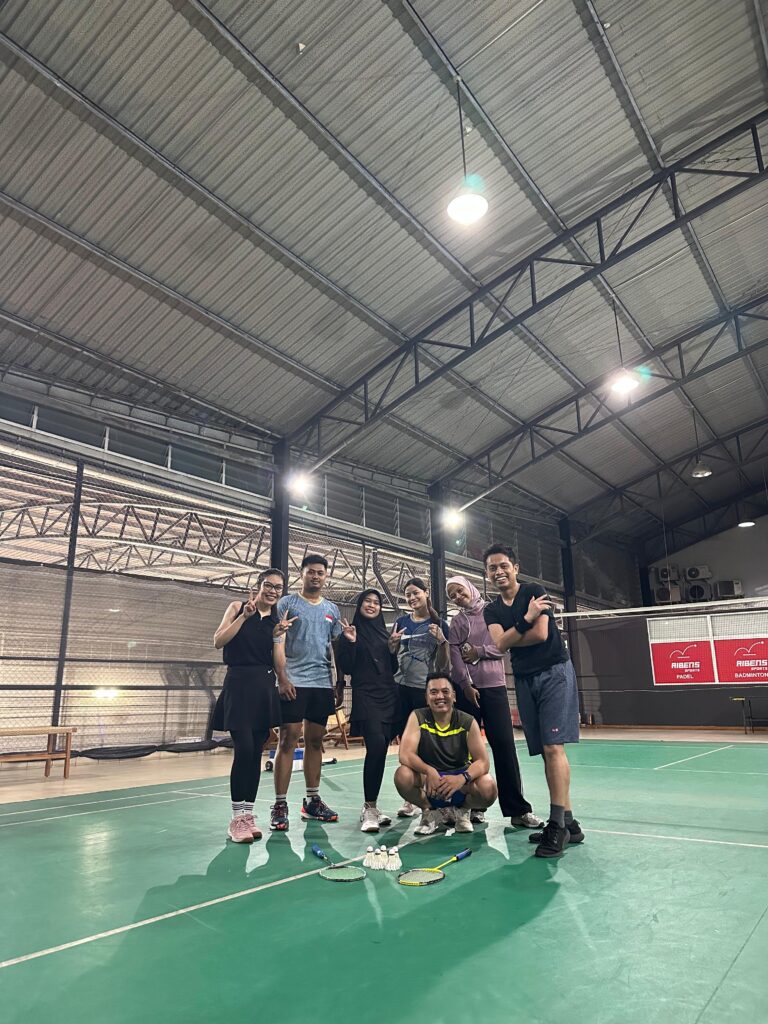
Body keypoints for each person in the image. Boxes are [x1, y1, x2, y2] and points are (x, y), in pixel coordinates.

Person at [482, 544, 584, 858]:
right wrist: (526, 618)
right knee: (545, 752)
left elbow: (540, 635)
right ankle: (569, 822)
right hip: (525, 680)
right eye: (492, 568)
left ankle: (557, 826)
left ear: (515, 568)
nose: (498, 572)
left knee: (554, 748)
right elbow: (500, 645)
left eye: (503, 565)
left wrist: (515, 632)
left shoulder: (534, 591)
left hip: (553, 672)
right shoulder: (491, 610)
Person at [446, 575, 543, 830]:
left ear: (470, 588)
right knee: (465, 751)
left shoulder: (492, 612)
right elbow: (455, 655)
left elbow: (503, 646)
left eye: (459, 591)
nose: (457, 597)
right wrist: (465, 685)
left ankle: (518, 810)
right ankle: (470, 806)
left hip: (495, 688)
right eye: (452, 595)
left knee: (504, 747)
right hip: (467, 692)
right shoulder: (457, 622)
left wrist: (478, 652)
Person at [212, 568, 285, 843]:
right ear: (258, 585)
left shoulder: (277, 621)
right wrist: (244, 616)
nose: (273, 591)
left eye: (278, 588)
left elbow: (278, 663)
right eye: (269, 585)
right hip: (238, 685)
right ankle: (236, 819)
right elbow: (218, 641)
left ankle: (248, 815)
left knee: (255, 753)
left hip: (264, 688)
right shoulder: (237, 607)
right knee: (243, 749)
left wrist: (278, 637)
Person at [270, 554, 342, 830]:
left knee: (315, 742)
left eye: (320, 573)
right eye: (311, 571)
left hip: (321, 683)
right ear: (301, 573)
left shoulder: (332, 610)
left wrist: (339, 681)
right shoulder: (286, 603)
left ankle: (312, 801)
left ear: (326, 577)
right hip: (293, 682)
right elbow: (277, 640)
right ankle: (280, 804)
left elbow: (335, 646)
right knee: (288, 740)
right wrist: (282, 678)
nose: (315, 576)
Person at [394, 672, 498, 835]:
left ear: (454, 696)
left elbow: (483, 762)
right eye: (433, 692)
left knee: (488, 786)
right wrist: (429, 770)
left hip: (460, 784)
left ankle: (462, 811)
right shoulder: (418, 717)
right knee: (402, 775)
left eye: (445, 691)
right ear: (427, 698)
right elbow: (405, 754)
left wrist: (462, 778)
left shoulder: (467, 721)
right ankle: (430, 811)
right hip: (430, 783)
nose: (439, 696)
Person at [336, 589, 399, 833]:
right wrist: (351, 642)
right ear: (360, 605)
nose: (372, 605)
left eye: (376, 602)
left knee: (382, 749)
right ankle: (368, 808)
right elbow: (348, 667)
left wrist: (392, 649)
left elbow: (392, 668)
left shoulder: (385, 634)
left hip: (388, 694)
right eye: (367, 601)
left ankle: (373, 806)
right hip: (366, 694)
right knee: (375, 745)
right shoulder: (350, 633)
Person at [389, 577, 450, 818]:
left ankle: (431, 793)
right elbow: (392, 654)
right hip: (399, 688)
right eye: (408, 595)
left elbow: (444, 665)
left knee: (425, 745)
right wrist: (391, 644)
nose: (412, 598)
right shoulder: (401, 622)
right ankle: (410, 797)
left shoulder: (439, 624)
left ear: (426, 593)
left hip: (423, 690)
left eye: (416, 593)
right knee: (405, 743)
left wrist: (442, 641)